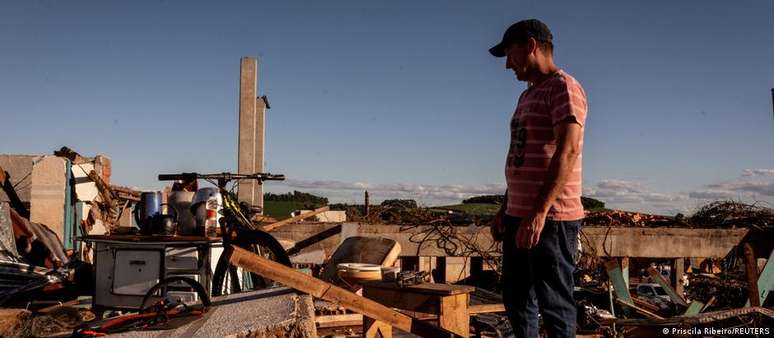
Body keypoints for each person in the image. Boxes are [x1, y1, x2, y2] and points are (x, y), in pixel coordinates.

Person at [489, 19, 588, 338]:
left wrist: (539, 212)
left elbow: (568, 151)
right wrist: (507, 206)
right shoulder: (526, 96)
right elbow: (521, 152)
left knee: (554, 303)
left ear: (531, 45)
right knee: (517, 299)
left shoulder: (564, 87)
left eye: (510, 54)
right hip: (520, 214)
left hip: (551, 218)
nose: (507, 65)